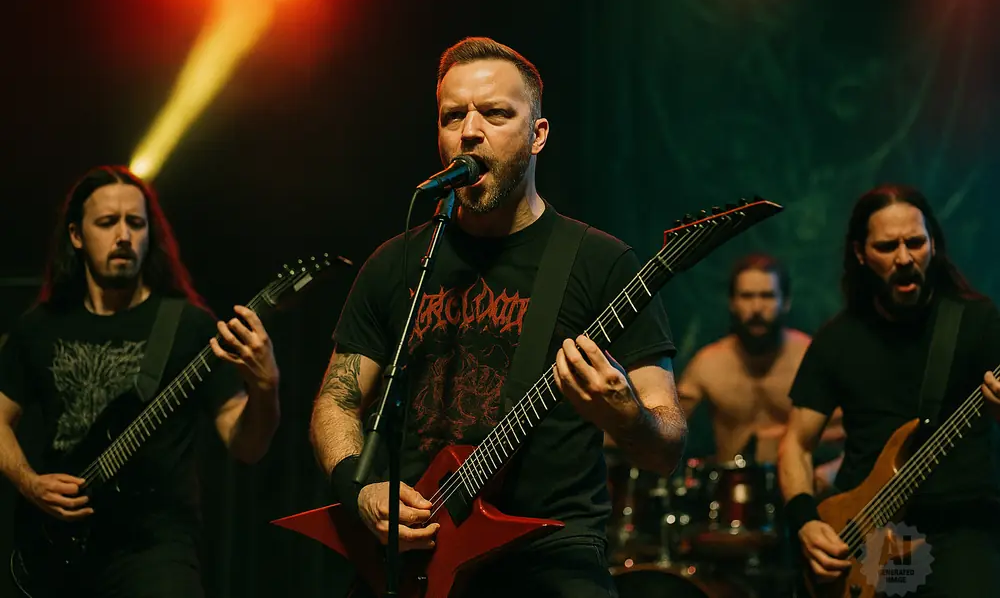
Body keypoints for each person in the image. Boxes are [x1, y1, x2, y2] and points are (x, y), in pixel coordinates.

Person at [309, 37, 685, 598]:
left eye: (496, 113)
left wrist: (627, 415)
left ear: (538, 135)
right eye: (453, 115)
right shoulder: (397, 263)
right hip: (417, 556)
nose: (469, 130)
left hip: (551, 555)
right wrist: (359, 488)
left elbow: (668, 444)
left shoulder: (600, 263)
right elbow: (336, 400)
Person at [0, 166, 281, 596]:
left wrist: (266, 386)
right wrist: (30, 483)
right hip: (56, 546)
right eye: (107, 222)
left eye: (135, 222)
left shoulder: (187, 325)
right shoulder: (39, 327)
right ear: (76, 235)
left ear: (151, 234)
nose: (124, 236)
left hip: (156, 550)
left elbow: (247, 446)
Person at [778, 184, 1000, 597]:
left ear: (933, 244)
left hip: (961, 527)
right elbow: (796, 442)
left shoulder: (977, 321)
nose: (904, 258)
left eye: (915, 242)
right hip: (868, 533)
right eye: (886, 246)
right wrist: (807, 521)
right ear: (861, 253)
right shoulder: (837, 340)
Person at [678, 253, 843, 490]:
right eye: (747, 296)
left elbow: (858, 432)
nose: (756, 308)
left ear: (785, 301)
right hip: (732, 499)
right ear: (732, 302)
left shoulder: (809, 358)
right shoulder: (708, 364)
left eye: (767, 296)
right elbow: (666, 430)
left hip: (801, 491)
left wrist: (829, 472)